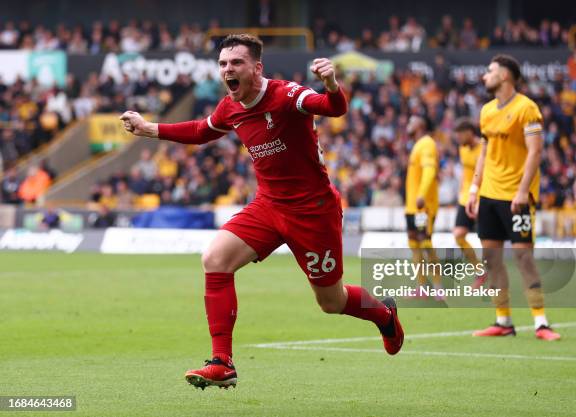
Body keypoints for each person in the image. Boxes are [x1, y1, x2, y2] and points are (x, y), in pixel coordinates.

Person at [120, 34, 404, 390]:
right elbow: (201, 130)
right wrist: (150, 129)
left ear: (257, 68)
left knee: (331, 302)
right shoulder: (230, 106)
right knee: (215, 258)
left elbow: (334, 108)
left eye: (235, 63)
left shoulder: (288, 95)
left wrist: (331, 84)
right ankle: (222, 362)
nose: (227, 70)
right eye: (223, 64)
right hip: (268, 205)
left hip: (312, 211)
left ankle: (384, 314)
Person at [466, 54, 560, 341]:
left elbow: (536, 152)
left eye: (490, 71)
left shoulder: (527, 108)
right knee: (492, 259)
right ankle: (503, 321)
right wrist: (474, 187)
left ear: (505, 75)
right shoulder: (486, 111)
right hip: (489, 194)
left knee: (523, 257)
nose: (485, 76)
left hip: (516, 196)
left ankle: (541, 322)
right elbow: (484, 152)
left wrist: (522, 190)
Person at [404, 115, 443, 298]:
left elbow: (430, 170)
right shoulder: (417, 145)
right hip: (412, 206)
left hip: (423, 206)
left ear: (421, 124)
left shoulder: (427, 143)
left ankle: (437, 287)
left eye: (412, 121)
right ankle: (422, 288)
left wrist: (422, 195)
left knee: (425, 243)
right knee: (414, 244)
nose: (408, 125)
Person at [452, 118, 487, 288]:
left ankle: (493, 275)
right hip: (466, 198)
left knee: (486, 239)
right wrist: (461, 193)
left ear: (469, 132)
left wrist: (482, 197)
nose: (458, 139)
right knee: (459, 235)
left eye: (459, 135)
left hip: (484, 196)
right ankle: (480, 271)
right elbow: (466, 173)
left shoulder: (484, 147)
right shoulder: (462, 149)